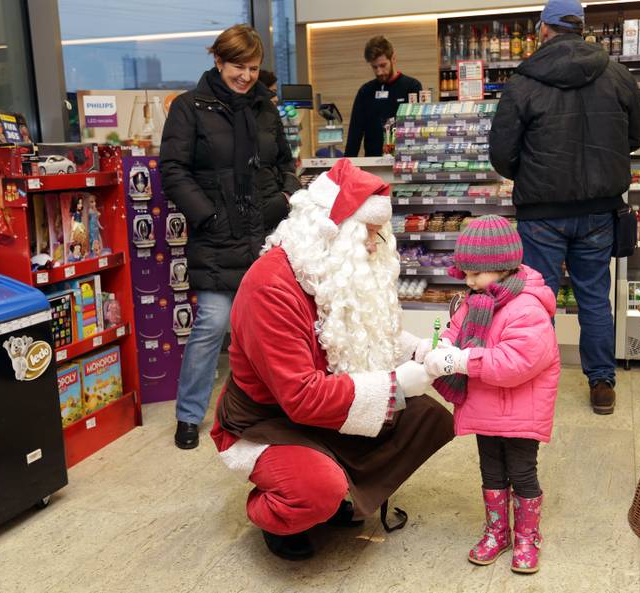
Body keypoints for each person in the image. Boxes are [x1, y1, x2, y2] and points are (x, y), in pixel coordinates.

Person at [210, 158, 454, 560]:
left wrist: (422, 353)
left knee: (426, 418)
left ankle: (345, 492)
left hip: (322, 405)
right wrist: (395, 386)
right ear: (331, 230)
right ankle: (274, 513)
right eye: (368, 234)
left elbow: (365, 334)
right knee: (315, 489)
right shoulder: (271, 287)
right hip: (268, 419)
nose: (375, 245)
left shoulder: (329, 269)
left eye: (379, 235)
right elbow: (301, 397)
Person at [489, 0, 640, 415]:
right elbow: (637, 136)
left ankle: (538, 379)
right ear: (581, 27)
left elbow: (501, 153)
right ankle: (602, 384)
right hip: (599, 212)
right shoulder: (616, 75)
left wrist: (533, 172)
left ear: (544, 29)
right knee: (595, 296)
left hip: (541, 213)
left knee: (537, 299)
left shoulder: (523, 81)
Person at [160, 24, 299, 450]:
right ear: (218, 60)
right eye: (239, 66)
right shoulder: (189, 107)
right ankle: (189, 415)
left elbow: (284, 162)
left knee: (268, 328)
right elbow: (173, 171)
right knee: (212, 325)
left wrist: (286, 196)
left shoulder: (264, 108)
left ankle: (263, 409)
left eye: (254, 68)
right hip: (218, 235)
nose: (246, 75)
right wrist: (209, 216)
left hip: (267, 233)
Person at [420, 215, 559, 574]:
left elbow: (517, 363)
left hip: (520, 412)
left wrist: (462, 360)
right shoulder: (475, 300)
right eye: (464, 273)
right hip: (485, 408)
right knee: (491, 471)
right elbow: (455, 330)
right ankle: (497, 531)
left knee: (522, 472)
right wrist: (441, 350)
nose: (467, 282)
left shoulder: (527, 307)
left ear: (500, 267)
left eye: (473, 274)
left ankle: (528, 536)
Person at [344, 36, 422, 157]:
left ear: (393, 59)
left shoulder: (412, 87)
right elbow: (355, 132)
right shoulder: (365, 91)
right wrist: (346, 165)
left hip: (404, 160)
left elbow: (419, 128)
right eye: (374, 67)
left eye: (382, 65)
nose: (379, 72)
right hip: (372, 163)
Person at [250, 68, 301, 232]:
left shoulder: (270, 114)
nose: (276, 98)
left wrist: (287, 195)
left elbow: (285, 159)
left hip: (274, 206)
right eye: (271, 92)